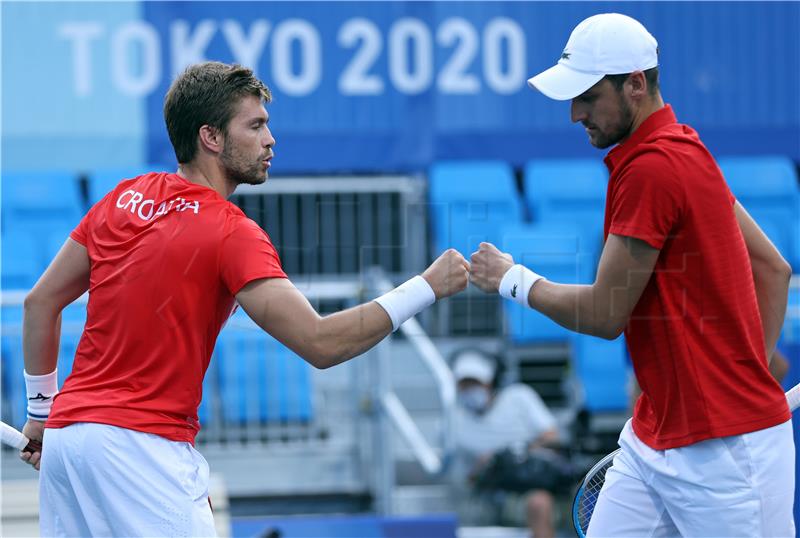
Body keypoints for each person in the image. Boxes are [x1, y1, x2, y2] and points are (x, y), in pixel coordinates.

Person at [19, 61, 470, 537]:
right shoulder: (232, 232)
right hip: (141, 450)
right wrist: (426, 287)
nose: (270, 140)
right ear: (211, 137)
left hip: (69, 444)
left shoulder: (122, 198)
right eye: (255, 125)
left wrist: (41, 414)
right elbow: (321, 343)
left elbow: (39, 304)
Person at [469, 13, 794, 537]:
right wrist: (744, 380)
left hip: (725, 458)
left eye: (588, 97)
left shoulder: (652, 167)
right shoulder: (688, 150)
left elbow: (604, 314)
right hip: (656, 440)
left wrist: (512, 279)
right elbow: (773, 269)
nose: (575, 114)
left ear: (636, 85)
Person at [450, 348, 559, 538]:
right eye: (464, 384)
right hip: (494, 495)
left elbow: (551, 436)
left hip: (539, 482)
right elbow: (467, 479)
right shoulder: (454, 421)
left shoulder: (519, 397)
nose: (469, 390)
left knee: (541, 501)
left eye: (475, 383)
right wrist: (485, 466)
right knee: (538, 503)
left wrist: (516, 454)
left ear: (491, 382)